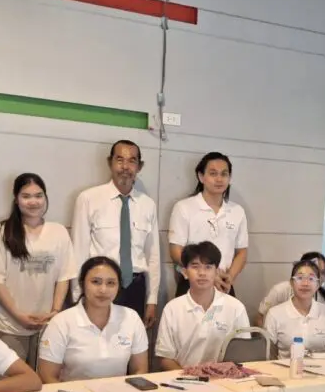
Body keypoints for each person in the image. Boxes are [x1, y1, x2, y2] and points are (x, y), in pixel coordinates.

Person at [0, 173, 77, 365]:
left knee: (43, 381)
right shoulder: (0, 232)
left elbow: (64, 277)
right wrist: (19, 316)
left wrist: (55, 312)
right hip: (8, 326)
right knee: (9, 382)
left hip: (47, 326)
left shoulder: (58, 232)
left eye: (38, 195)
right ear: (16, 199)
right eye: (26, 196)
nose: (33, 201)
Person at [71, 140, 160, 327]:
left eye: (132, 161)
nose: (125, 166)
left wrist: (152, 299)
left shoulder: (148, 205)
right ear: (109, 162)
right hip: (99, 286)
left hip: (135, 287)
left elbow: (153, 255)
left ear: (139, 166)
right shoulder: (88, 199)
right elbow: (79, 251)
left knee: (130, 341)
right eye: (120, 160)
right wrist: (77, 295)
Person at [37, 256, 149, 383]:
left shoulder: (131, 318)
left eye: (111, 283)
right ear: (82, 284)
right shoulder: (61, 322)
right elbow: (47, 376)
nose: (103, 290)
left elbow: (140, 370)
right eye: (96, 282)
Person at [156, 241, 250, 371]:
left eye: (208, 267)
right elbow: (165, 358)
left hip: (225, 379)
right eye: (195, 267)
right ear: (185, 272)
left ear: (216, 272)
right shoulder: (172, 309)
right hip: (183, 378)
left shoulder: (235, 307)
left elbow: (244, 354)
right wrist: (189, 377)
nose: (202, 273)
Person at [169, 152, 248, 297]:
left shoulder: (237, 211)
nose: (219, 179)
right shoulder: (183, 207)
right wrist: (208, 274)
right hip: (192, 283)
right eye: (213, 173)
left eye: (224, 174)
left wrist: (229, 277)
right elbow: (175, 250)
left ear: (229, 178)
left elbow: (242, 252)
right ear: (201, 177)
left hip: (224, 284)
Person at [264, 259, 325, 359]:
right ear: (291, 282)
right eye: (299, 278)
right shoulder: (274, 314)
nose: (305, 283)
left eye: (311, 279)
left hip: (320, 367)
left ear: (318, 284)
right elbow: (269, 352)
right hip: (286, 367)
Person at [255, 251, 325, 326]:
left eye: (322, 272)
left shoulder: (323, 299)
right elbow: (260, 317)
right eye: (314, 271)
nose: (319, 276)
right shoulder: (280, 291)